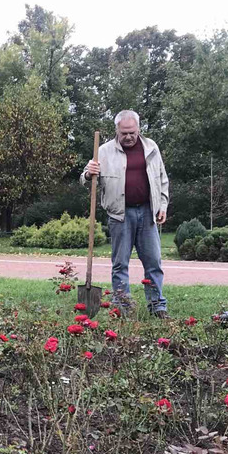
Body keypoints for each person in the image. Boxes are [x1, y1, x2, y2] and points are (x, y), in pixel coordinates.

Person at [80, 110, 170, 318]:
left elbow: (162, 179)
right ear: (117, 131)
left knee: (154, 262)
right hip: (119, 216)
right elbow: (85, 180)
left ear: (138, 129)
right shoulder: (103, 151)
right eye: (124, 133)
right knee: (120, 264)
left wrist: (163, 205)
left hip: (148, 213)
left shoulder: (151, 148)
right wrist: (88, 173)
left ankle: (157, 306)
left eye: (132, 132)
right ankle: (123, 307)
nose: (128, 137)